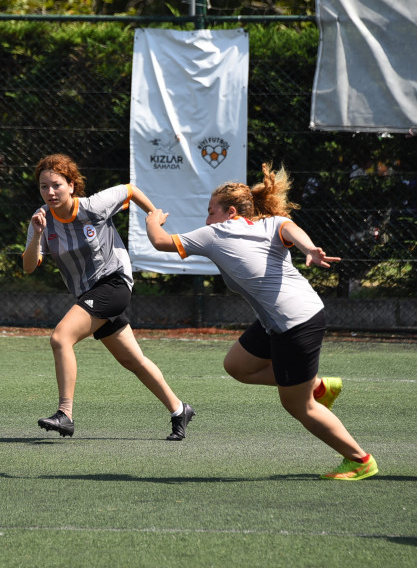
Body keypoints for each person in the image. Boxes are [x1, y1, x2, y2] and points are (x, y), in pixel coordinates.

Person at [145, 162, 377, 480]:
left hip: (295, 323)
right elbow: (288, 227)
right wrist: (308, 248)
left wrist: (152, 220)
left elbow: (160, 241)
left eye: (210, 210)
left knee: (299, 406)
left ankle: (359, 459)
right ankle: (317, 385)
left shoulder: (216, 232)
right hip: (285, 319)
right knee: (237, 365)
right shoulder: (267, 225)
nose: (206, 218)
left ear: (228, 212)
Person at [21, 153, 194, 441]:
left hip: (114, 283)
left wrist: (154, 215)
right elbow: (28, 267)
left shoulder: (93, 207)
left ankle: (65, 414)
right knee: (133, 361)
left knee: (60, 337)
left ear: (72, 185)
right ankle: (179, 409)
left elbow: (130, 190)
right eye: (43, 186)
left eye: (57, 185)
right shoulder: (41, 220)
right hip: (90, 294)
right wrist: (37, 235)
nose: (50, 192)